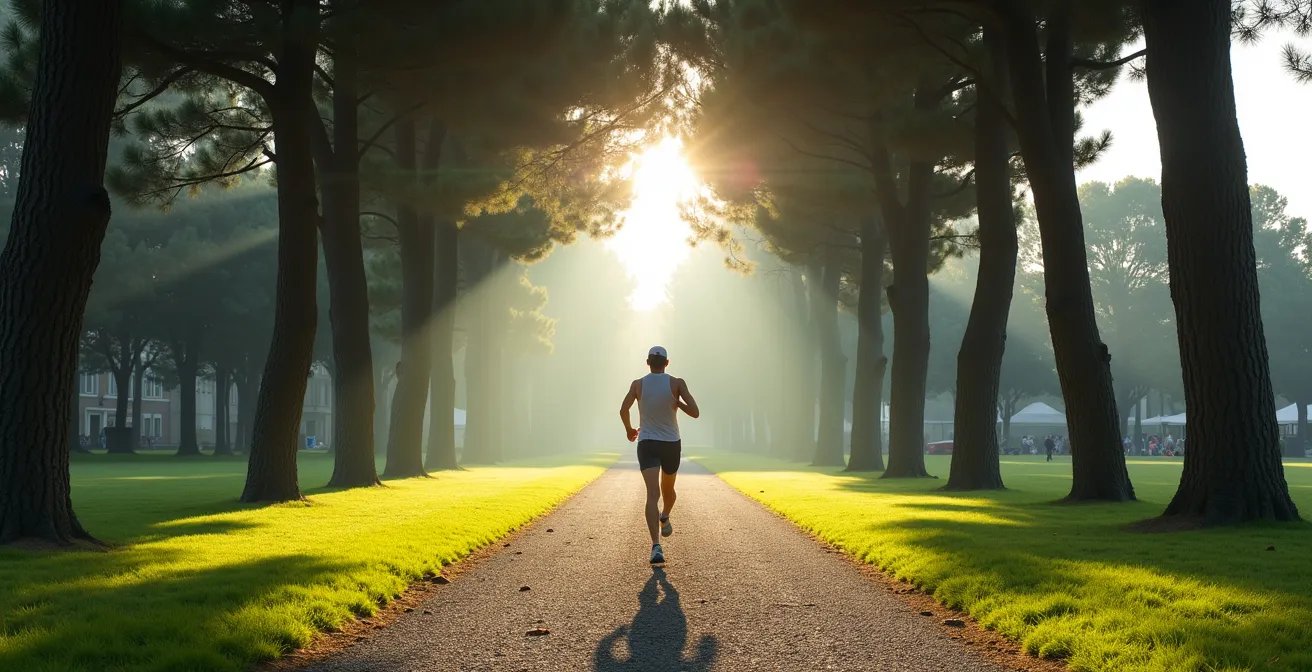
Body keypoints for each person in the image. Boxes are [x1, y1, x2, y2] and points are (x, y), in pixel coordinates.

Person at [620, 346, 699, 565]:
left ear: (648, 362)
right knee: (663, 491)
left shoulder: (638, 385)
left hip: (651, 443)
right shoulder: (677, 383)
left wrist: (629, 429)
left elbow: (623, 409)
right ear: (667, 362)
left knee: (657, 493)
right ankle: (658, 540)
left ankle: (661, 529)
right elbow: (695, 412)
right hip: (666, 443)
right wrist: (678, 402)